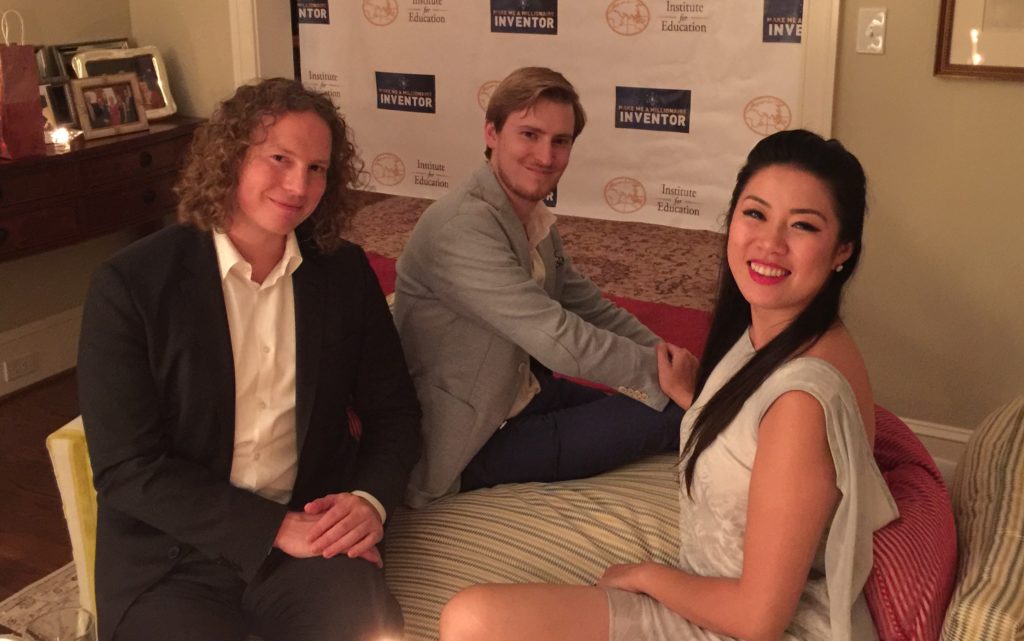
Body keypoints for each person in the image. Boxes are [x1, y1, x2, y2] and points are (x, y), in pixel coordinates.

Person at [438, 129, 899, 641]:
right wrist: (693, 398)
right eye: (755, 214)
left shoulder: (800, 403)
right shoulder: (784, 332)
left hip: (734, 623)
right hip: (718, 587)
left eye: (803, 226)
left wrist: (645, 576)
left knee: (472, 620)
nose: (770, 242)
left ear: (842, 250)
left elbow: (757, 620)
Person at [78, 78, 422, 641]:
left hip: (309, 540)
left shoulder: (342, 272)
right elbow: (126, 467)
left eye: (317, 168)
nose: (298, 184)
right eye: (279, 159)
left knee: (369, 630)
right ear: (231, 157)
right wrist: (272, 527)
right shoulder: (131, 284)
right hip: (173, 558)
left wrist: (368, 502)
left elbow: (396, 413)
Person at [394, 67, 693, 507]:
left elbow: (587, 304)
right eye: (529, 135)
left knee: (671, 403)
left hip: (524, 391)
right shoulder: (461, 228)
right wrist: (684, 387)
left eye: (560, 141)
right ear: (492, 133)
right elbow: (559, 339)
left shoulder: (526, 212)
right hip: (474, 437)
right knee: (682, 416)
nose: (545, 155)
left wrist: (667, 358)